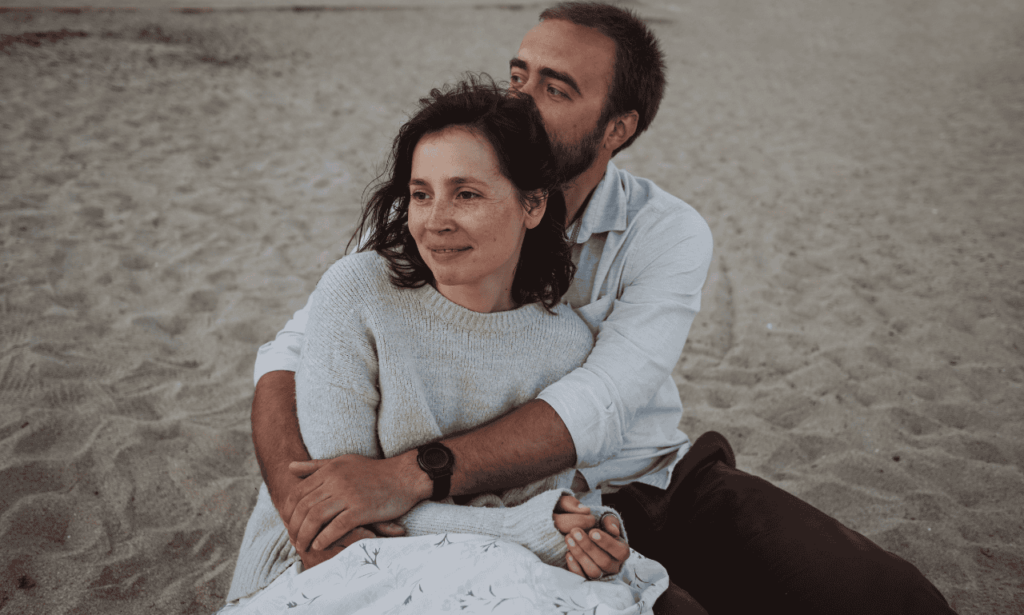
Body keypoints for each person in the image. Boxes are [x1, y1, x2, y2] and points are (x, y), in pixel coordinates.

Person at [250, 2, 957, 613]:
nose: (519, 103)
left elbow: (600, 399)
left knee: (880, 596)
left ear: (617, 128)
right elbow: (292, 354)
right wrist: (311, 509)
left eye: (554, 89)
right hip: (490, 509)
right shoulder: (440, 208)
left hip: (642, 481)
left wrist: (407, 474)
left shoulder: (665, 231)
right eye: (517, 76)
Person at [221, 78, 669, 614]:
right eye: (420, 194)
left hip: (484, 569)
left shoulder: (565, 345)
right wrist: (531, 527)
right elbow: (339, 513)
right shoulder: (358, 293)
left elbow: (545, 518)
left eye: (467, 194)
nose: (435, 222)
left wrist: (581, 540)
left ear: (532, 204)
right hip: (327, 563)